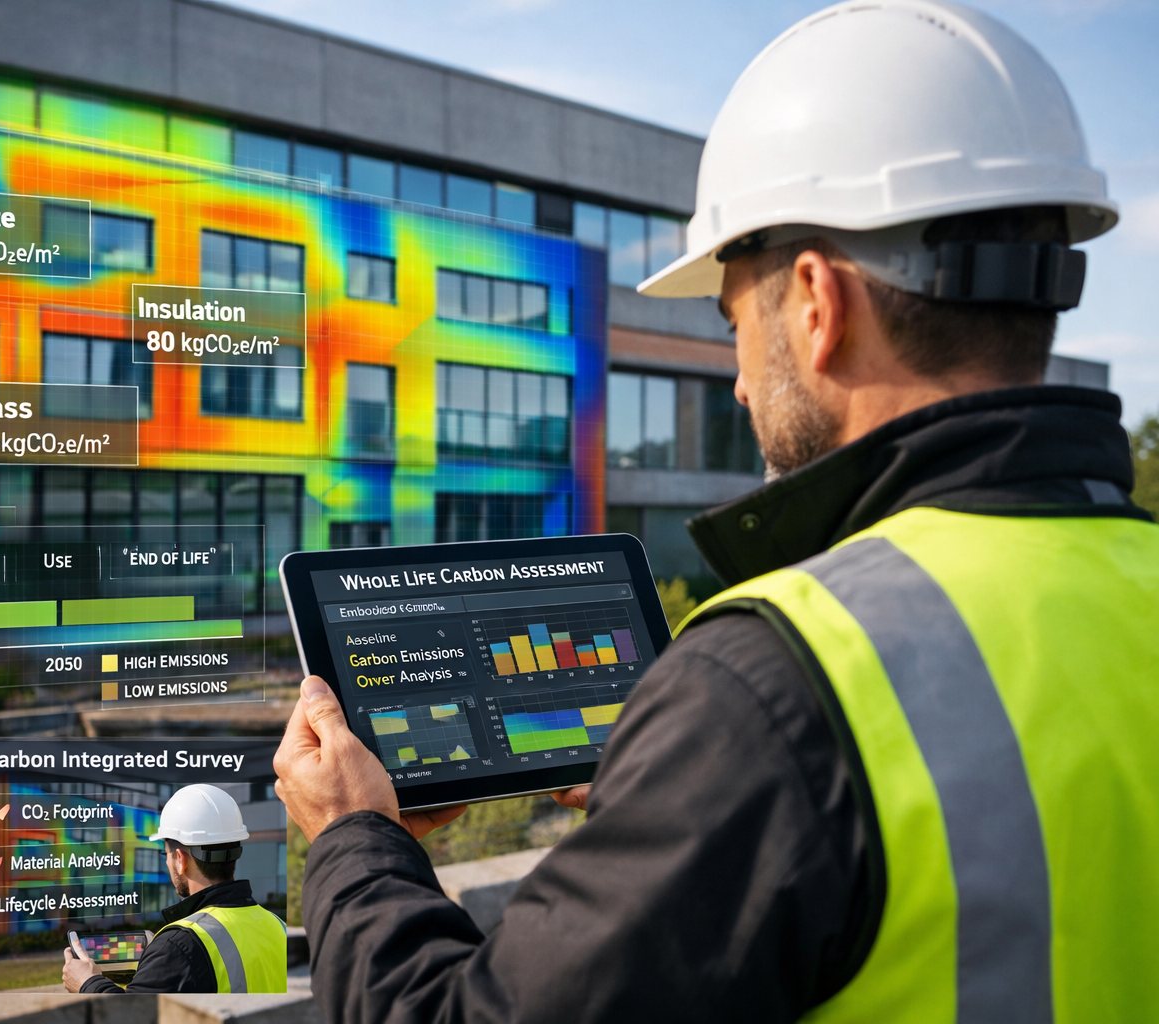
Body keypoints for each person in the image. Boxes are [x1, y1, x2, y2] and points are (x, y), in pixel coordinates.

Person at [273, 2, 1159, 1021]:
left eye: (733, 314)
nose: (738, 382)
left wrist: (350, 837)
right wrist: (672, 811)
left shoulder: (777, 683)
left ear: (818, 305)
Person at [63, 783, 286, 994]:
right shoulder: (277, 925)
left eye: (166, 854)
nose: (168, 863)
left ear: (180, 859)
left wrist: (87, 983)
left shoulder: (179, 946)